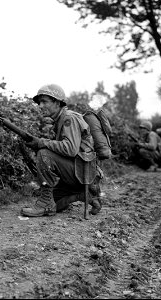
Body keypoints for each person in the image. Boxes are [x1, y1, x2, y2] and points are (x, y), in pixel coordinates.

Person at [20, 84, 102, 217]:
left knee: (44, 153)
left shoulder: (69, 118)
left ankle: (46, 203)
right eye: (39, 102)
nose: (40, 106)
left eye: (44, 101)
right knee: (56, 204)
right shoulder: (60, 120)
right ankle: (85, 196)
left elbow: (70, 149)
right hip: (80, 172)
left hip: (82, 173)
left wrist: (41, 142)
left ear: (57, 102)